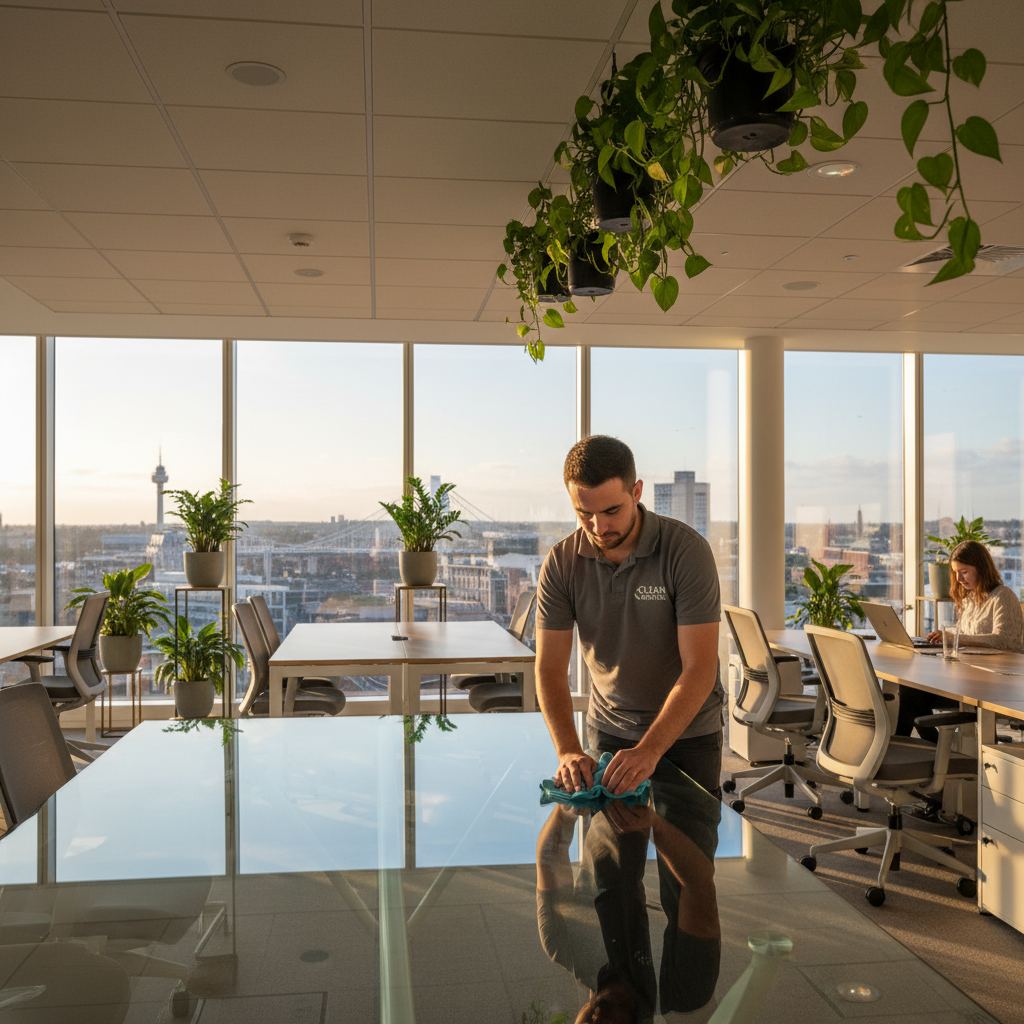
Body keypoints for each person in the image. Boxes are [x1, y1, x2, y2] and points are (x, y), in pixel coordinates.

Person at [535, 435, 725, 799]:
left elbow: (700, 668)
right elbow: (549, 669)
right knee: (608, 852)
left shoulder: (686, 552)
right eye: (584, 513)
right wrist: (568, 750)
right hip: (609, 729)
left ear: (636, 492)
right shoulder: (561, 563)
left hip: (688, 733)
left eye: (611, 511)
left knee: (687, 852)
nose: (599, 527)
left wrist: (650, 750)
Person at [897, 540, 1024, 815]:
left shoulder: (1003, 596)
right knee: (908, 692)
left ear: (981, 568)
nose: (959, 578)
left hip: (994, 685)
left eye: (964, 571)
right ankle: (934, 764)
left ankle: (923, 764)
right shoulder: (969, 600)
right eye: (956, 573)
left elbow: (1007, 641)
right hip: (966, 679)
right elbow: (964, 646)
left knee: (910, 698)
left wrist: (955, 637)